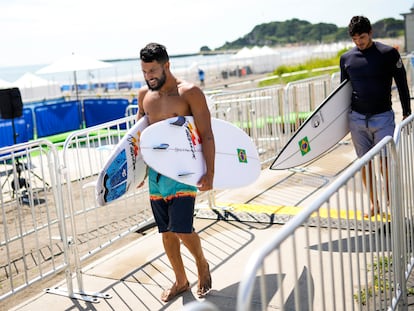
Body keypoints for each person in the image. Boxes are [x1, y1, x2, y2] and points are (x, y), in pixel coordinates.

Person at [137, 43, 214, 302]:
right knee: (166, 232)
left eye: (153, 70)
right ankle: (181, 280)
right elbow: (140, 138)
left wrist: (210, 173)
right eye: (144, 71)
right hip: (156, 175)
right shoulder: (144, 96)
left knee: (182, 229)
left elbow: (206, 134)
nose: (149, 76)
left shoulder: (189, 93)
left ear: (167, 65)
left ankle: (201, 264)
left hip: (183, 171)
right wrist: (137, 173)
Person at [340, 16, 411, 217]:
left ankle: (389, 200)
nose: (359, 42)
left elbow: (403, 84)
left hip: (383, 118)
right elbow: (342, 93)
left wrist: (407, 112)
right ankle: (374, 204)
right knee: (365, 163)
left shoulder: (388, 54)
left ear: (370, 33)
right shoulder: (346, 59)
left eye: (362, 37)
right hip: (357, 119)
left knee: (385, 163)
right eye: (355, 39)